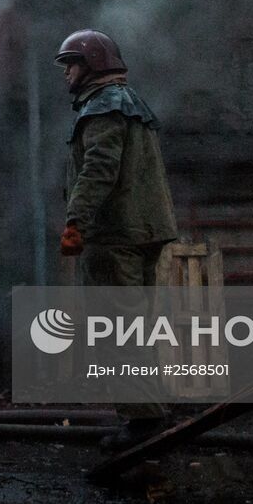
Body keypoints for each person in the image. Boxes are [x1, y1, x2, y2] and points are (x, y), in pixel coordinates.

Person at [55, 29, 178, 451]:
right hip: (143, 230)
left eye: (71, 63)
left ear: (90, 63)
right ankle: (152, 411)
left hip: (116, 235)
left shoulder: (102, 107)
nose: (66, 72)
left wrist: (76, 220)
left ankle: (142, 424)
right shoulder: (130, 103)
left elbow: (99, 168)